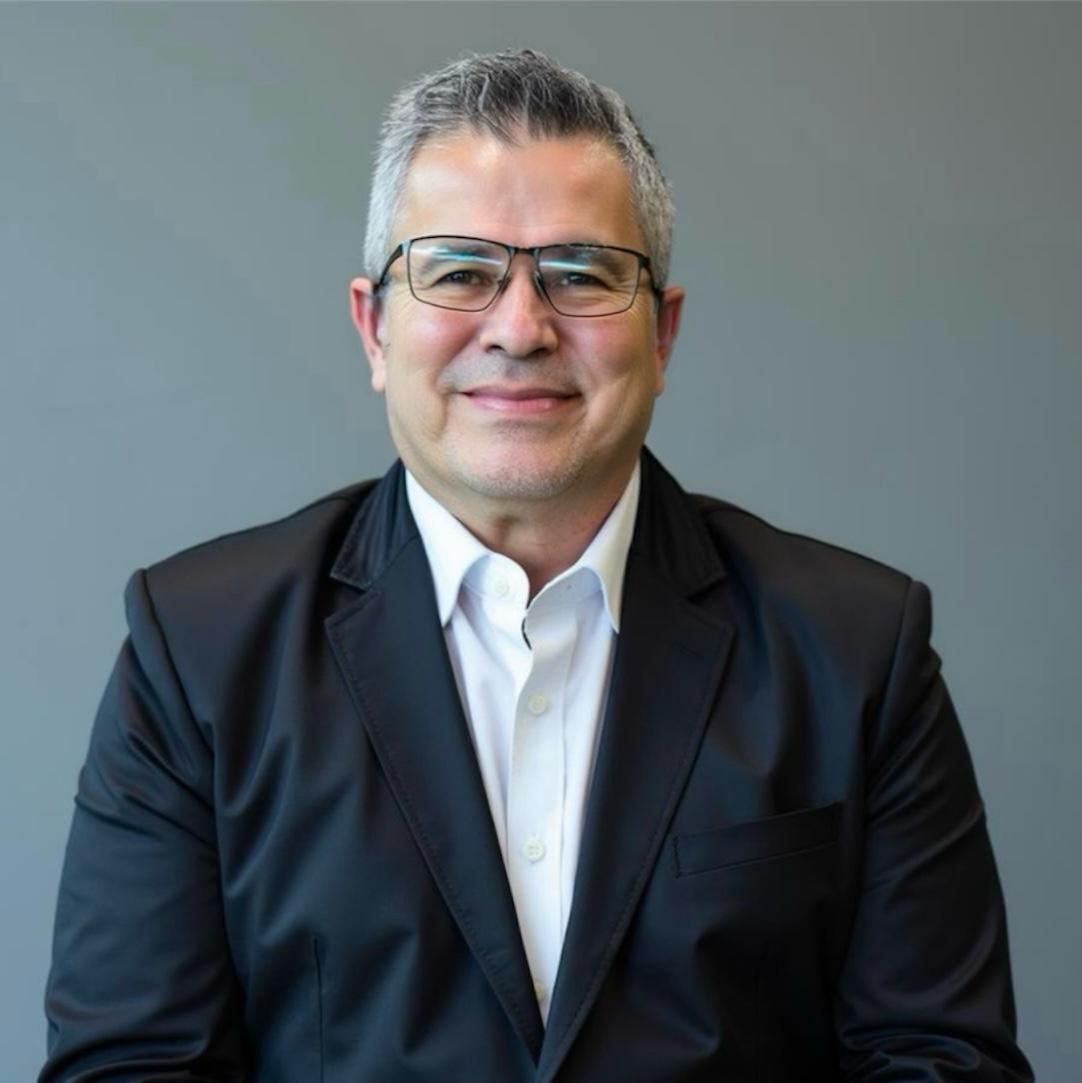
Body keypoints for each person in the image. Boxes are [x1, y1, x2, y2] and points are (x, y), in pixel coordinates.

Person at [42, 50, 1033, 1082]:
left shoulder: (856, 651)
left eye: (581, 274)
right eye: (458, 272)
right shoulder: (199, 654)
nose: (519, 329)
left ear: (662, 335)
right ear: (374, 327)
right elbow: (130, 1068)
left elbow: (939, 1060)